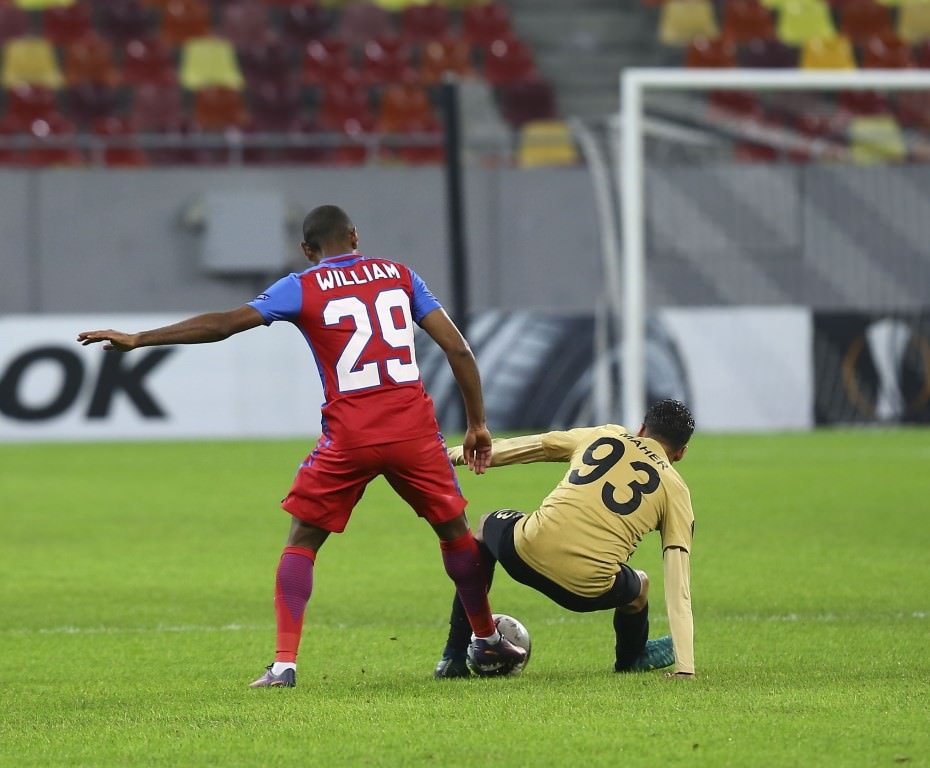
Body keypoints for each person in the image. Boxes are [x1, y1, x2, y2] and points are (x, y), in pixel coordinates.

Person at [77, 204, 526, 688]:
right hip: (413, 430)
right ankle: (483, 636)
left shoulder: (302, 284)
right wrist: (477, 423)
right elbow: (457, 348)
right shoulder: (400, 275)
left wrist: (140, 338)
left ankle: (284, 665)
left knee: (303, 542)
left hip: (350, 435)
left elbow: (226, 323)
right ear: (354, 235)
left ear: (307, 250)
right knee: (455, 532)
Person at [434, 398, 697, 679]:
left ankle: (454, 656)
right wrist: (685, 667)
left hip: (524, 553)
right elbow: (677, 580)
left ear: (642, 428)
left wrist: (446, 457)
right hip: (584, 590)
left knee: (487, 525)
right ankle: (631, 658)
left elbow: (534, 446)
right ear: (680, 453)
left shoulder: (605, 434)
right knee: (639, 586)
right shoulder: (676, 490)